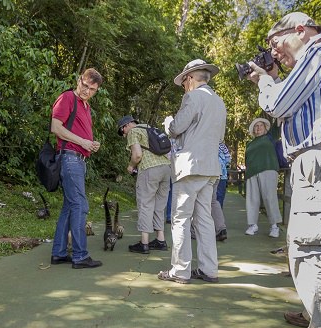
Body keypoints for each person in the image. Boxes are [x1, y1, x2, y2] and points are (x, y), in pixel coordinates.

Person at [247, 12, 321, 328]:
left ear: (299, 30)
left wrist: (265, 80)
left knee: (315, 248)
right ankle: (319, 314)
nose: (274, 52)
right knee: (301, 244)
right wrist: (274, 77)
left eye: (274, 43)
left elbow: (279, 104)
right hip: (315, 159)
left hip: (320, 157)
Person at [158, 59, 227, 284]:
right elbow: (219, 138)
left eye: (184, 82)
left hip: (189, 166)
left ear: (189, 78)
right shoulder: (219, 102)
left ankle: (180, 270)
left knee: (181, 219)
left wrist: (168, 122)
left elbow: (177, 127)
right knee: (204, 219)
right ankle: (209, 270)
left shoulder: (193, 96)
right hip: (210, 168)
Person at [50, 68, 104, 269]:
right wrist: (82, 141)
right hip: (70, 159)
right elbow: (56, 127)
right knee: (80, 206)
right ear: (79, 80)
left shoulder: (85, 106)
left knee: (69, 207)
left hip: (78, 158)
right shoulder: (67, 98)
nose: (86, 90)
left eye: (92, 89)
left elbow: (80, 132)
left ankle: (59, 253)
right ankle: (80, 256)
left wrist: (90, 143)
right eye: (85, 85)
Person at [117, 115, 171, 254]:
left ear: (126, 126)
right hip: (166, 169)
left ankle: (144, 243)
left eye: (122, 131)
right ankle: (160, 240)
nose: (124, 135)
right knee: (159, 205)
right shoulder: (149, 127)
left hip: (149, 170)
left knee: (145, 204)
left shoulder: (133, 132)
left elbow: (137, 155)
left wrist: (130, 166)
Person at [244, 117, 282, 238]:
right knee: (252, 199)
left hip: (268, 169)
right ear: (253, 130)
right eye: (256, 126)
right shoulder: (249, 144)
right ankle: (252, 225)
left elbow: (278, 123)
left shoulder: (270, 137)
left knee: (269, 197)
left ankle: (274, 226)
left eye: (261, 125)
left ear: (265, 128)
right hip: (251, 172)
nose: (258, 128)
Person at [212, 142, 231, 241]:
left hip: (209, 172)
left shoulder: (201, 137)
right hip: (221, 174)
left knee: (208, 201)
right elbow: (228, 158)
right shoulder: (221, 144)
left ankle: (213, 228)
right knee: (216, 201)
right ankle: (221, 228)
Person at [216, 142, 231, 207]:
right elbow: (228, 159)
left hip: (221, 175)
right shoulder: (222, 145)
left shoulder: (222, 145)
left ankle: (217, 213)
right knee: (219, 196)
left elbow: (228, 159)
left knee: (219, 196)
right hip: (220, 174)